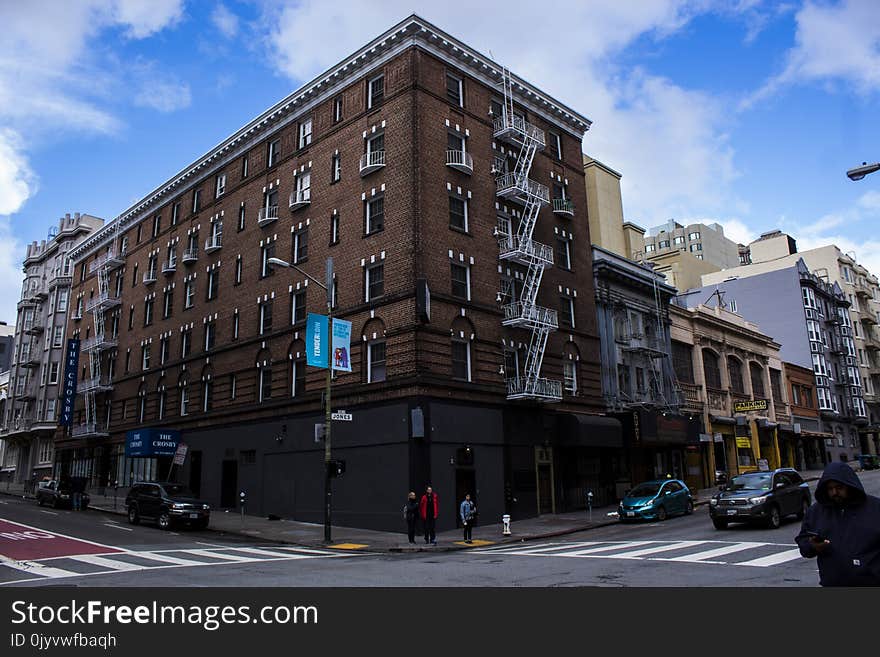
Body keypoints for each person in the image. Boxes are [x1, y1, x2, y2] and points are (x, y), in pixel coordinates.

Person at [795, 461, 880, 587]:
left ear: (849, 486)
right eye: (830, 489)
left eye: (839, 487)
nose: (834, 492)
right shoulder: (816, 512)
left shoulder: (875, 508)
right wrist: (812, 546)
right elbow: (803, 543)